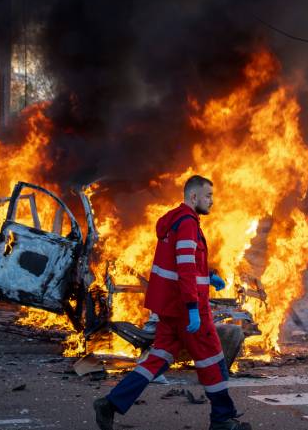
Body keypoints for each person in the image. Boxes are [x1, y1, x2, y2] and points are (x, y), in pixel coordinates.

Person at [95, 175, 250, 430]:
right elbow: (185, 268)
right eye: (208, 195)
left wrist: (209, 276)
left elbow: (182, 263)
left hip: (170, 308)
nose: (212, 200)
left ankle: (110, 403)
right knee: (212, 359)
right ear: (193, 197)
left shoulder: (174, 221)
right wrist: (193, 309)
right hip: (187, 309)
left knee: (158, 359)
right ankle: (222, 419)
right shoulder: (188, 223)